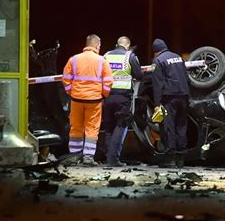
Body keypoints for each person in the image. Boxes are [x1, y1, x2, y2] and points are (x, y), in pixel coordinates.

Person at [62, 34, 113, 166]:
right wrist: (104, 95)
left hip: (76, 99)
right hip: (94, 100)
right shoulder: (102, 61)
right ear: (97, 45)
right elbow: (108, 82)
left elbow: (66, 78)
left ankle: (74, 155)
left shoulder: (74, 59)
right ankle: (88, 157)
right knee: (92, 128)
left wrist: (71, 92)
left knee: (76, 127)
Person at [103, 36, 143, 166]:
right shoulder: (130, 56)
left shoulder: (106, 56)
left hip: (107, 96)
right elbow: (139, 75)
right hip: (123, 97)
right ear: (127, 45)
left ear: (117, 44)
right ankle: (113, 160)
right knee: (121, 126)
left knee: (109, 127)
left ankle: (108, 157)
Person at [151, 38, 190, 167]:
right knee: (181, 126)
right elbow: (186, 76)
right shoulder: (178, 57)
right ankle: (181, 158)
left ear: (155, 51)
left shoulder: (158, 60)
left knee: (169, 127)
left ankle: (170, 159)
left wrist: (157, 104)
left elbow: (158, 84)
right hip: (184, 95)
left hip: (170, 97)